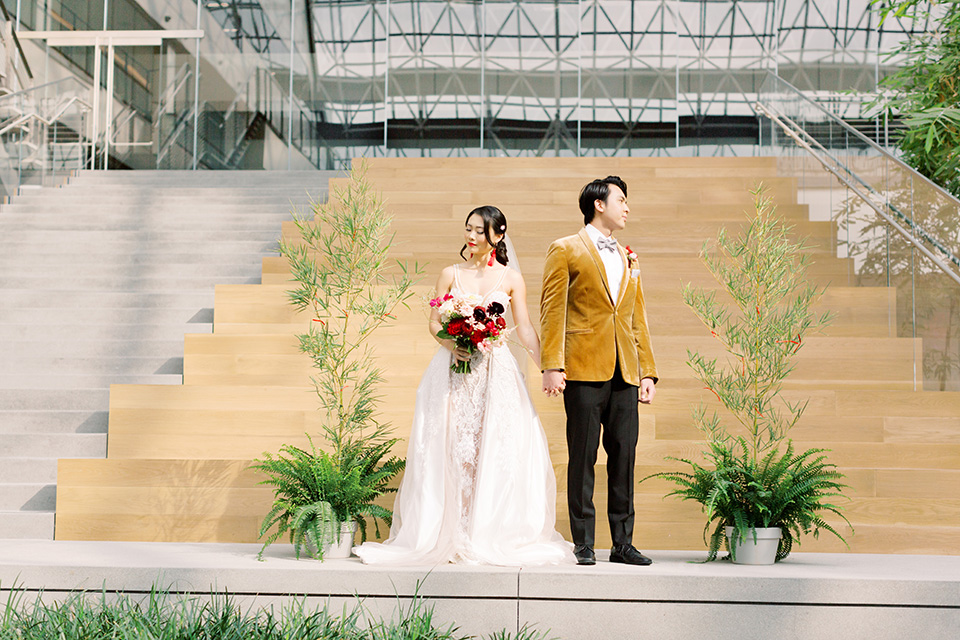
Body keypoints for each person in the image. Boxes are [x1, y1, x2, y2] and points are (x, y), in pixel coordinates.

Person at [354, 205, 574, 566]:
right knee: (452, 444)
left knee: (494, 444)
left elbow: (526, 329)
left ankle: (485, 529)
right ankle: (448, 530)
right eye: (467, 229)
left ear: (497, 236)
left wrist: (548, 368)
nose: (470, 237)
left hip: (495, 371)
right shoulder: (449, 274)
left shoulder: (512, 279)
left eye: (478, 230)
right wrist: (452, 343)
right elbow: (434, 322)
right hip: (453, 371)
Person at [539, 176, 658, 566]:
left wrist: (647, 372)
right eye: (621, 200)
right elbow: (552, 311)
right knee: (583, 458)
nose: (627, 208)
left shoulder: (627, 256)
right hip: (583, 369)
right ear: (599, 205)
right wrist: (552, 365)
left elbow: (636, 318)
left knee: (624, 459)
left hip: (625, 371)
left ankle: (622, 544)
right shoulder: (565, 249)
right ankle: (584, 542)